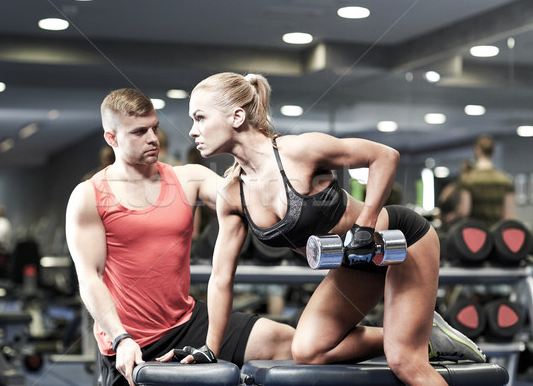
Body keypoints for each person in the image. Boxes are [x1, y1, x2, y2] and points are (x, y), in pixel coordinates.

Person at [184, 72, 485, 386]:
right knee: (307, 350)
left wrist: (365, 226)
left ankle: (412, 341)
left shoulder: (298, 151)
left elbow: (384, 156)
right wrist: (211, 348)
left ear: (236, 116)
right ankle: (427, 335)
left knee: (405, 362)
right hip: (356, 266)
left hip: (397, 241)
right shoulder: (233, 195)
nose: (193, 131)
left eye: (201, 118)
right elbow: (220, 278)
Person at [65, 88, 294, 386]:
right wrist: (120, 338)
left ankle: (378, 336)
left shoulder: (188, 179)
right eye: (139, 132)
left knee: (289, 342)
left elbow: (246, 197)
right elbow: (90, 278)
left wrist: (254, 146)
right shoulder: (89, 196)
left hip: (188, 322)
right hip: (130, 341)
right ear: (112, 138)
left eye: (154, 128)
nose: (152, 138)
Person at [457, 135, 515, 228]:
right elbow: (509, 216)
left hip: (477, 235)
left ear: (478, 150)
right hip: (497, 236)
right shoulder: (506, 179)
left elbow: (464, 211)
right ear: (493, 151)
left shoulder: (468, 178)